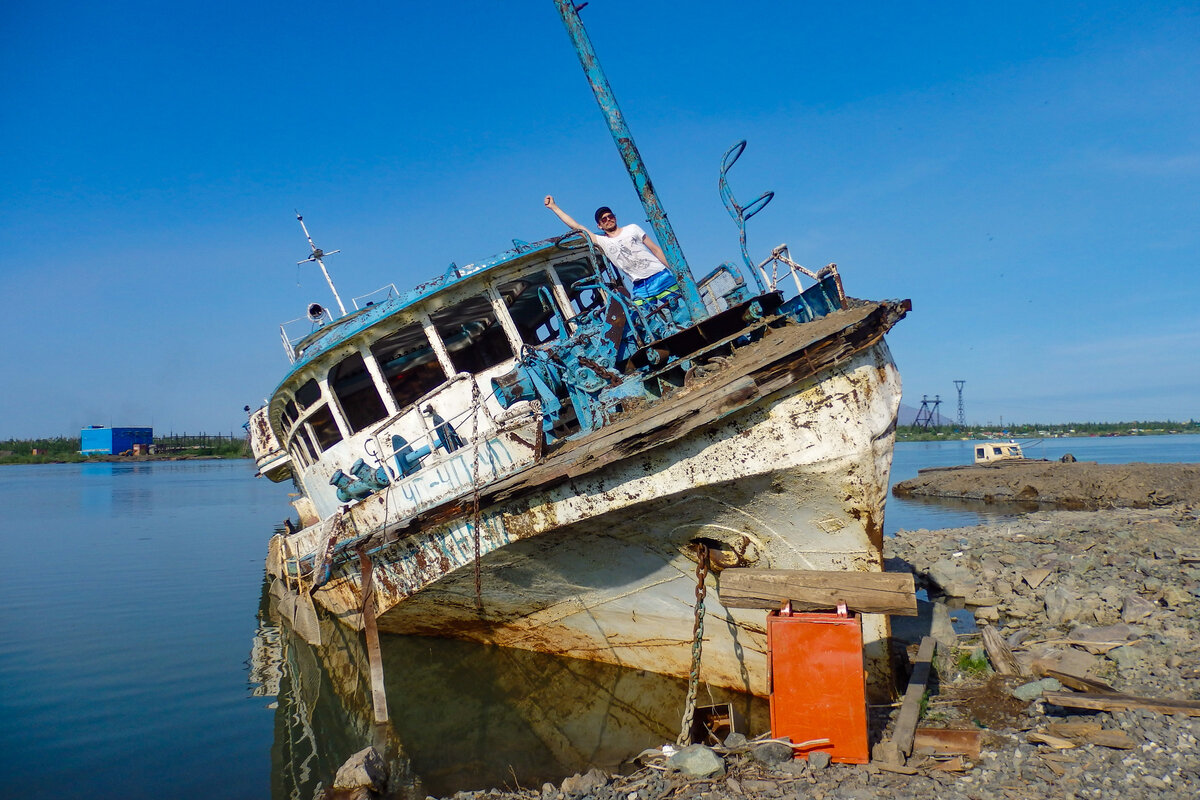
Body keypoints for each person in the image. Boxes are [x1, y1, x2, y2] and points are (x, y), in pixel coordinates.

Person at [543, 196, 679, 305]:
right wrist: (554, 207)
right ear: (600, 225)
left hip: (660, 275)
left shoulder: (632, 229)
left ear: (615, 217)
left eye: (610, 216)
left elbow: (655, 249)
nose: (608, 220)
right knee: (640, 320)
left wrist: (677, 271)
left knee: (680, 308)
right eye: (604, 219)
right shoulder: (602, 242)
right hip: (640, 286)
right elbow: (576, 226)